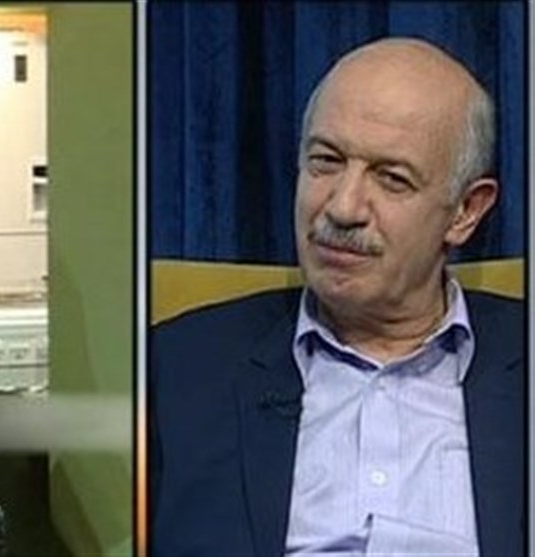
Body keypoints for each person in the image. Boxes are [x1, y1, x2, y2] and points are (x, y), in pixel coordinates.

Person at [149, 37, 524, 556]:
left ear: (466, 211)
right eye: (325, 161)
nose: (343, 208)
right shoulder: (178, 365)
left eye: (392, 179)